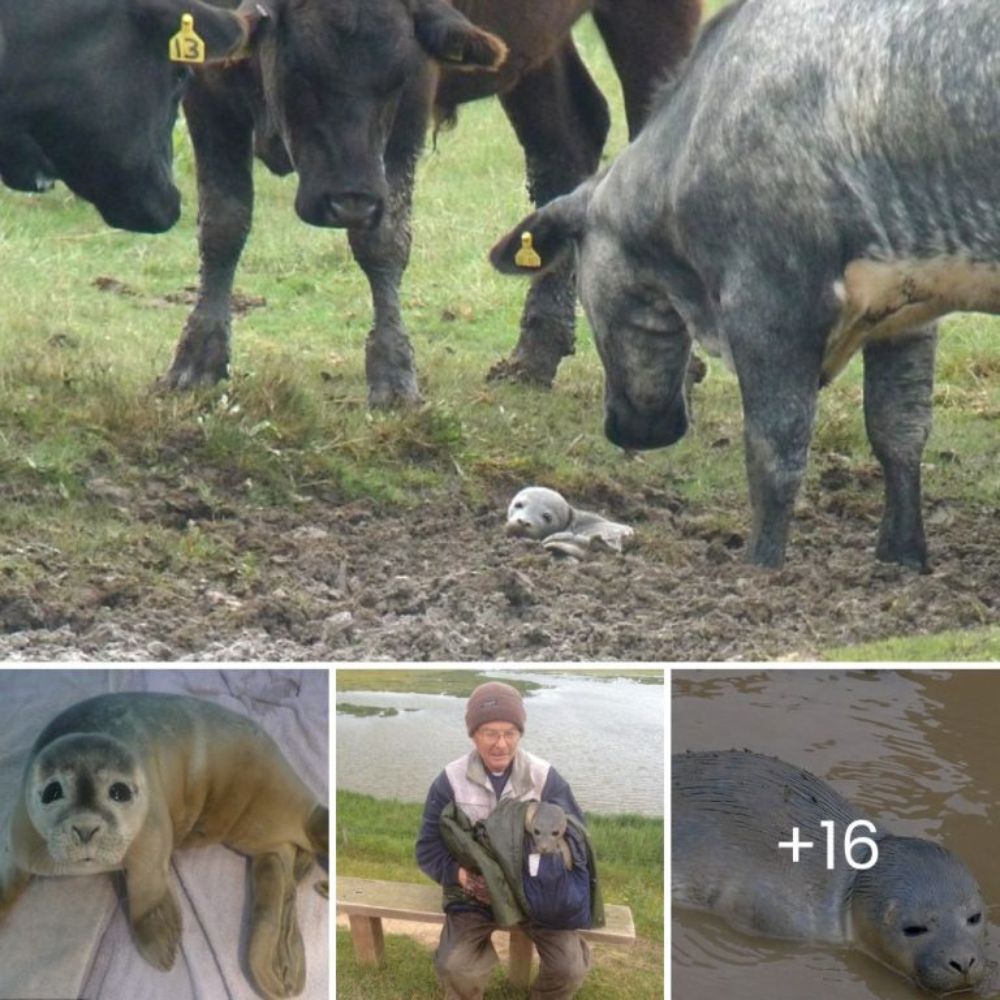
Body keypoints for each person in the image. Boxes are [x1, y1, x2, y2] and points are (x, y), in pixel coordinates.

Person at [416, 681, 592, 1000]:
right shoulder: (449, 781)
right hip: (476, 895)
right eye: (490, 733)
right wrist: (461, 876)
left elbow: (578, 837)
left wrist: (549, 867)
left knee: (570, 968)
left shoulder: (546, 777)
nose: (501, 744)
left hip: (539, 895)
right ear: (473, 735)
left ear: (520, 734)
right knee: (453, 965)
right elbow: (427, 849)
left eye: (510, 733)